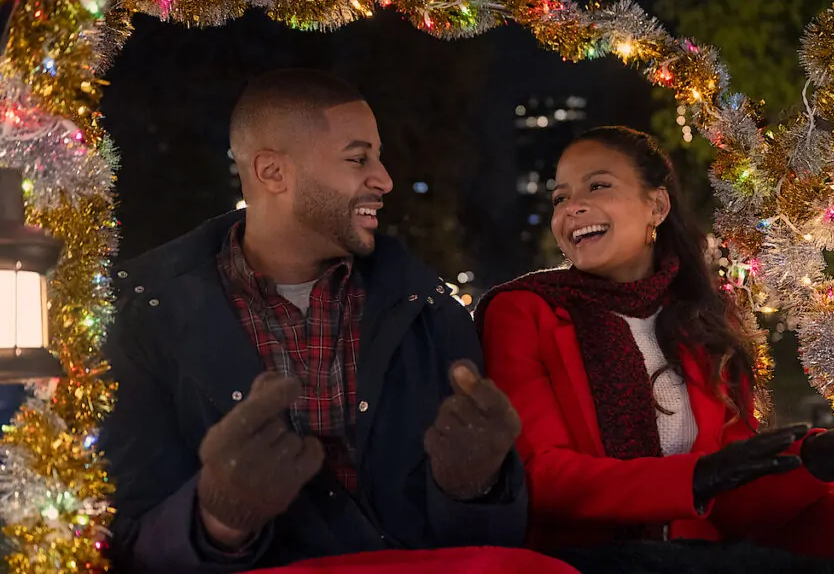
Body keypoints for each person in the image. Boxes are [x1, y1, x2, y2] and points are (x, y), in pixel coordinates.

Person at [99, 69, 527, 574]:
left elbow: (489, 550)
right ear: (273, 173)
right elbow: (119, 542)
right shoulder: (140, 319)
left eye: (379, 157)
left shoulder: (430, 312)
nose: (384, 179)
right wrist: (218, 516)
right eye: (358, 158)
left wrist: (476, 487)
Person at [474, 126, 834, 573]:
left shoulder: (703, 321)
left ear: (656, 206)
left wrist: (815, 461)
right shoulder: (523, 312)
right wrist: (697, 477)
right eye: (560, 197)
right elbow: (541, 476)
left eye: (597, 187)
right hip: (580, 559)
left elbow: (737, 500)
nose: (571, 208)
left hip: (700, 554)